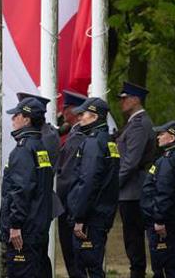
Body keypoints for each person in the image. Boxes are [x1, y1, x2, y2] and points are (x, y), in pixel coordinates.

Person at [0, 97, 55, 278]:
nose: (13, 119)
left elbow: (21, 190)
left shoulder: (24, 149)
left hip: (25, 230)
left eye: (16, 115)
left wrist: (15, 225)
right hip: (37, 226)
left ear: (27, 119)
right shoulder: (40, 146)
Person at [67, 97, 119, 278]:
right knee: (93, 266)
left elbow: (88, 182)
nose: (79, 118)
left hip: (90, 217)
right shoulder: (108, 141)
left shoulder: (93, 142)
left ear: (95, 116)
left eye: (83, 114)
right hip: (101, 214)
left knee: (87, 268)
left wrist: (80, 216)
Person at [141, 121, 175, 278]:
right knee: (172, 266)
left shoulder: (168, 161)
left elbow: (164, 193)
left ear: (171, 138)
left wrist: (159, 220)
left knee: (163, 269)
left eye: (162, 134)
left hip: (164, 224)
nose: (158, 137)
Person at [116, 82, 156, 278]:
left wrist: (114, 185)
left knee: (134, 240)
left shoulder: (139, 124)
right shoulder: (133, 123)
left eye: (125, 98)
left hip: (132, 190)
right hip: (130, 189)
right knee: (131, 239)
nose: (122, 102)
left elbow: (130, 162)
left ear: (136, 99)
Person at [55, 90, 87, 277]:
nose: (62, 112)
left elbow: (66, 175)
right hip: (73, 203)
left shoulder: (77, 137)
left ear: (72, 111)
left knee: (73, 257)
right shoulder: (75, 134)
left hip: (69, 204)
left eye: (65, 108)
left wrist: (58, 200)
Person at [17, 92, 60, 160]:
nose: (15, 118)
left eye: (19, 115)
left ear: (27, 119)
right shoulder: (46, 132)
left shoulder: (41, 138)